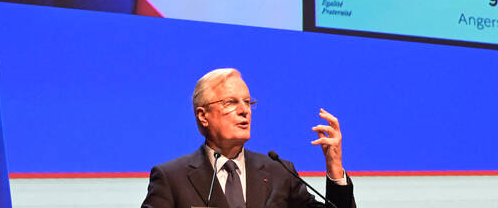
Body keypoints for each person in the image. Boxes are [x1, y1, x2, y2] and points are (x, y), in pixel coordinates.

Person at [141, 68, 355, 208]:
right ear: (203, 115)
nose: (245, 111)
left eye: (247, 102)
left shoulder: (279, 172)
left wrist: (334, 165)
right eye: (231, 102)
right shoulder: (172, 179)